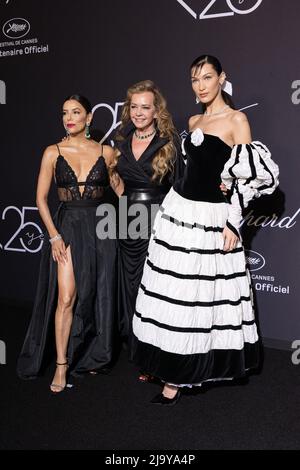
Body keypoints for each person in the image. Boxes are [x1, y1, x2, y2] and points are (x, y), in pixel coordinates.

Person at [133, 55, 279, 405]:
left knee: (201, 298)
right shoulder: (194, 118)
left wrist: (233, 220)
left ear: (221, 78)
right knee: (175, 294)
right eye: (195, 79)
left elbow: (246, 177)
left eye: (207, 77)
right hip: (180, 210)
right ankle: (168, 368)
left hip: (212, 218)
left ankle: (182, 377)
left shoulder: (237, 120)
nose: (200, 86)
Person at [17, 94, 117, 392]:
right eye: (64, 113)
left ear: (89, 118)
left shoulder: (107, 152)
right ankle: (61, 365)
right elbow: (40, 199)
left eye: (76, 112)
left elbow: (121, 192)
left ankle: (93, 352)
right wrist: (54, 236)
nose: (69, 117)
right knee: (66, 297)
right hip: (68, 228)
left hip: (100, 228)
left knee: (96, 294)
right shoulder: (52, 152)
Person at [110, 80, 185, 379]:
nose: (139, 113)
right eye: (134, 107)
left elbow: (180, 186)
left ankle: (156, 353)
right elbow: (119, 185)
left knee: (154, 288)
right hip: (125, 218)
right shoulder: (121, 142)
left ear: (156, 111)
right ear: (129, 110)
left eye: (146, 107)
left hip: (159, 219)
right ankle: (136, 348)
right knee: (129, 286)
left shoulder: (168, 143)